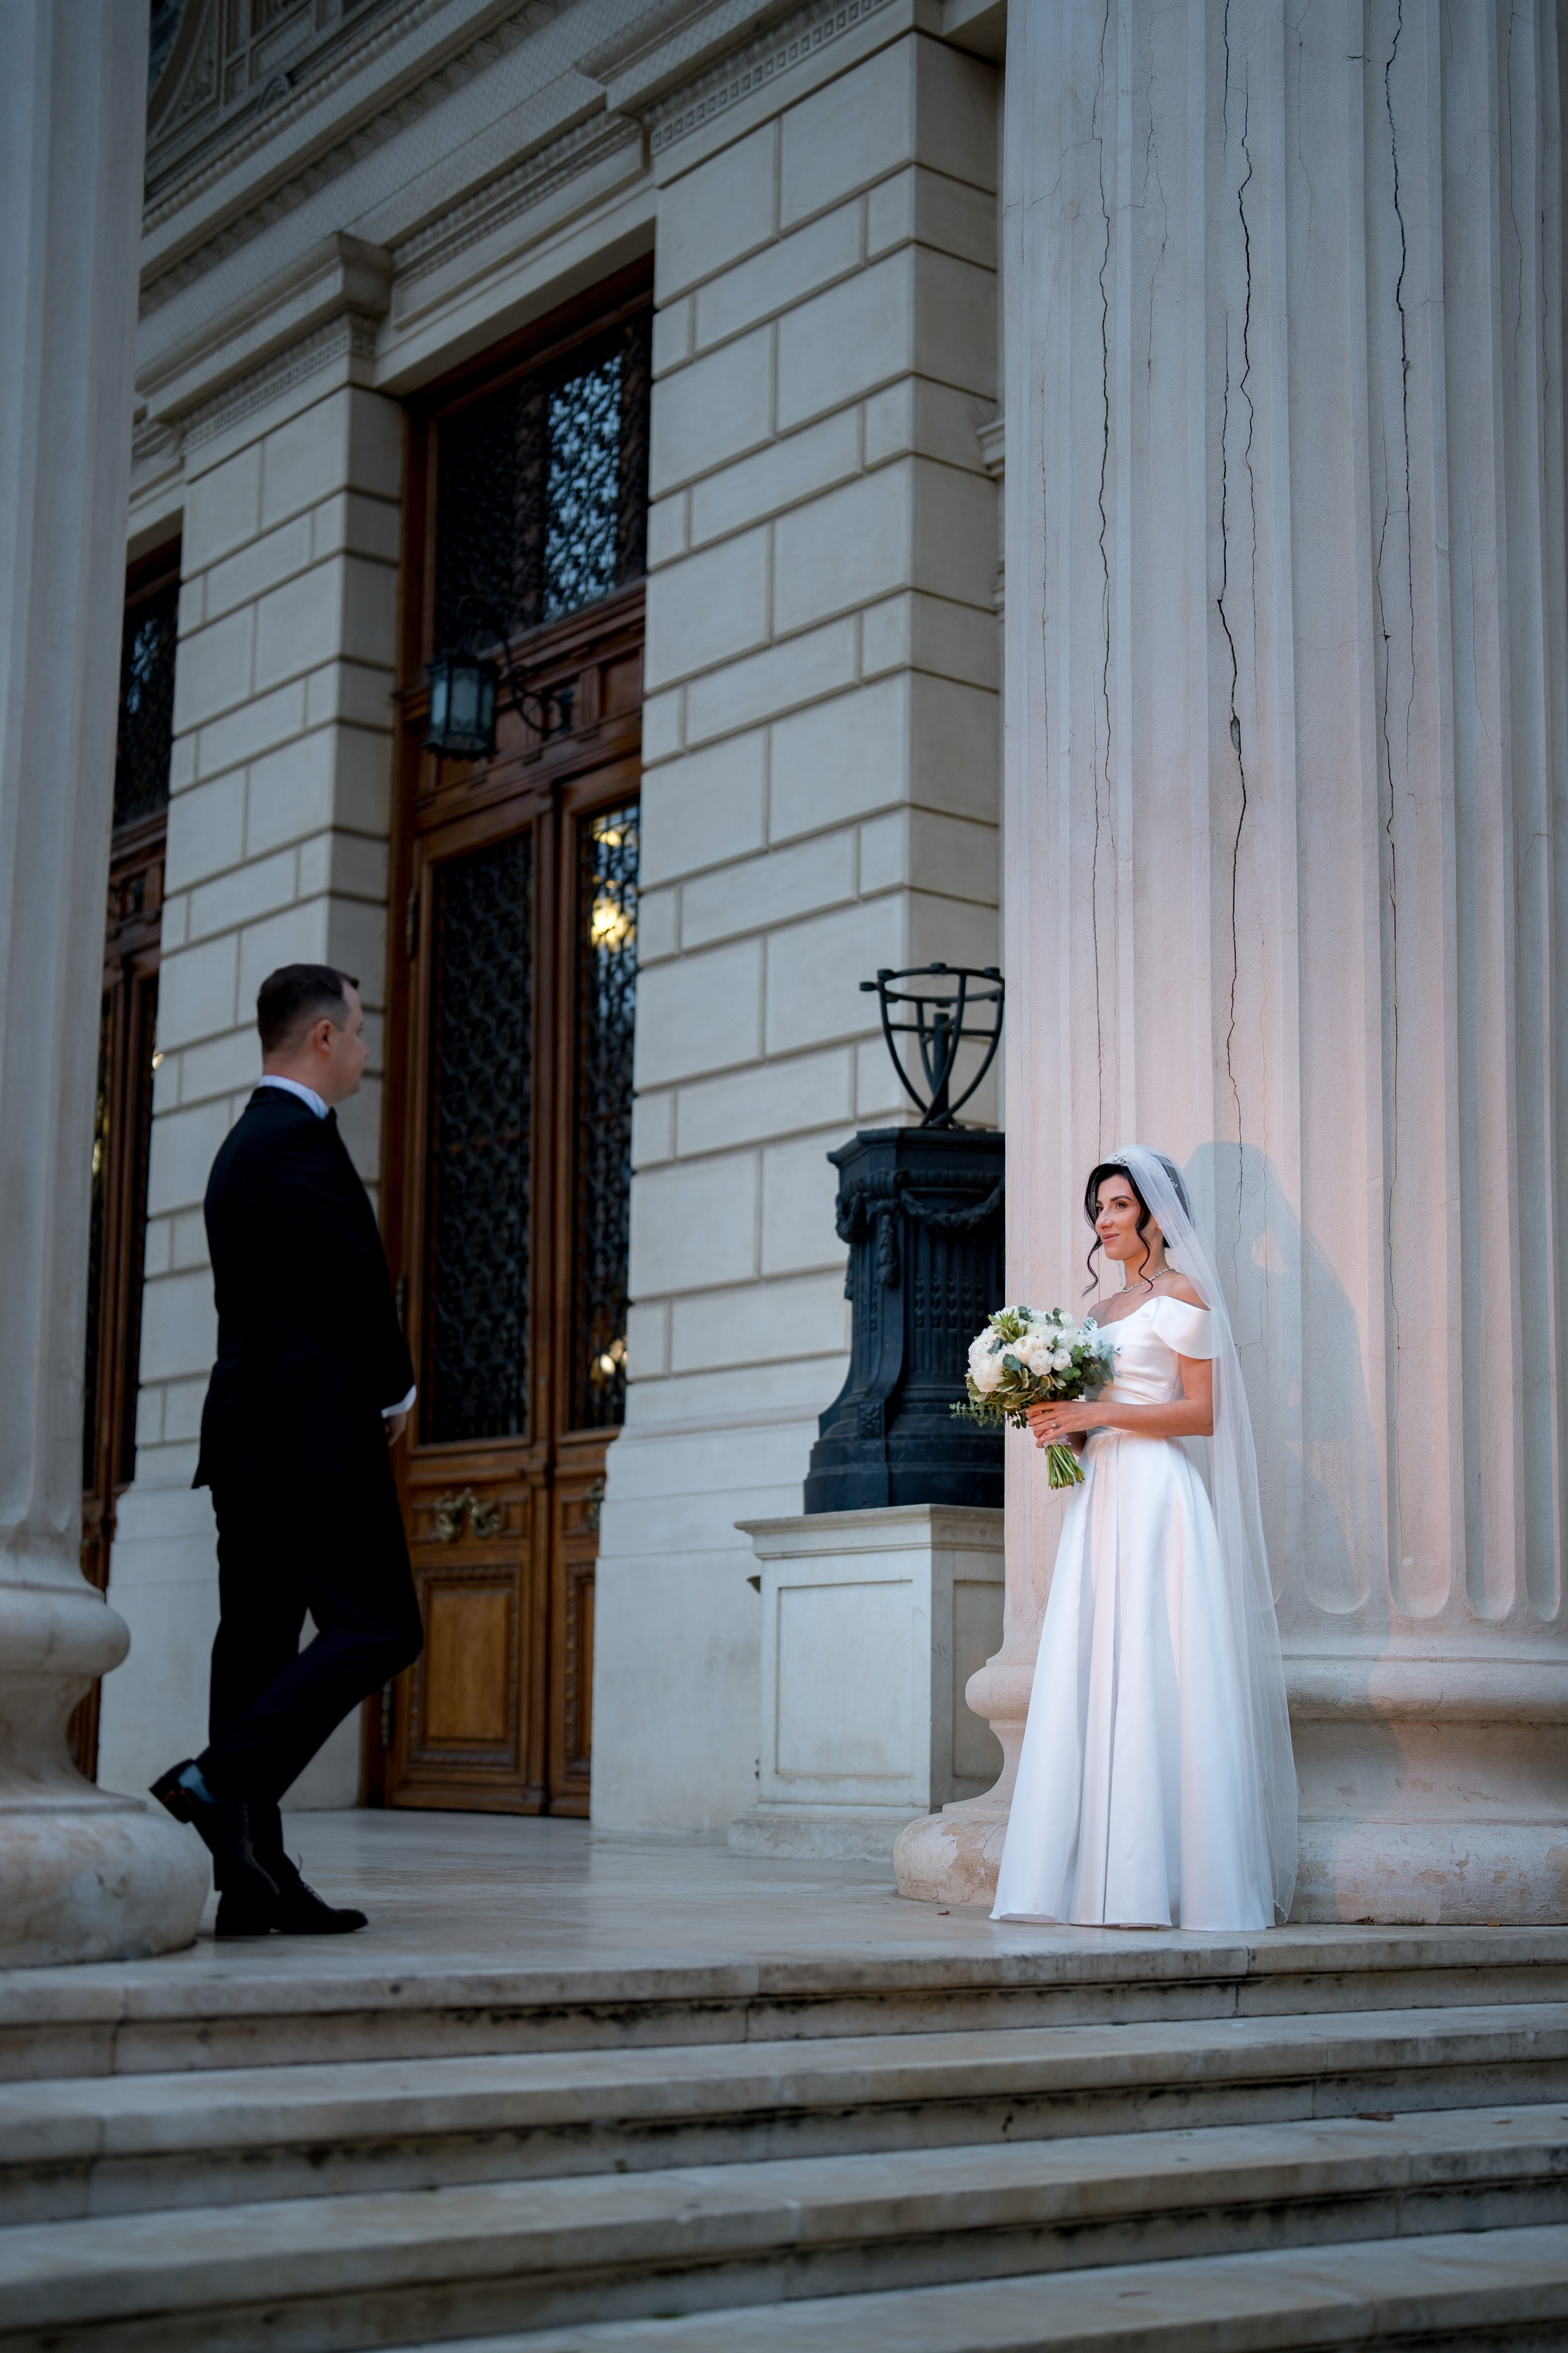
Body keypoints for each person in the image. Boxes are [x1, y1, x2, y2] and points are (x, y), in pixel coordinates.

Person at [151, 964, 423, 1936]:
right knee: (383, 1623)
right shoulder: (289, 1142)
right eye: (356, 1031)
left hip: (252, 1435)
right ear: (320, 1039)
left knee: (260, 1648)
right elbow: (350, 1278)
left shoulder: (249, 1143)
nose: (363, 1047)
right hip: (309, 1431)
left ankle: (252, 1882)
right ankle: (214, 1781)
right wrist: (397, 1385)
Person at [991, 1147, 1296, 1932]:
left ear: (1156, 1217)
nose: (1104, 1219)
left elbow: (1201, 1414)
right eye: (1098, 1207)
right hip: (1102, 1497)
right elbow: (1092, 1415)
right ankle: (1091, 1878)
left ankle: (1175, 1881)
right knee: (1098, 1661)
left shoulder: (1183, 1296)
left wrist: (1096, 1414)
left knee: (1163, 1664)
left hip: (1161, 1495)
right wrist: (1059, 1424)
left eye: (1119, 1205)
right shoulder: (1095, 1317)